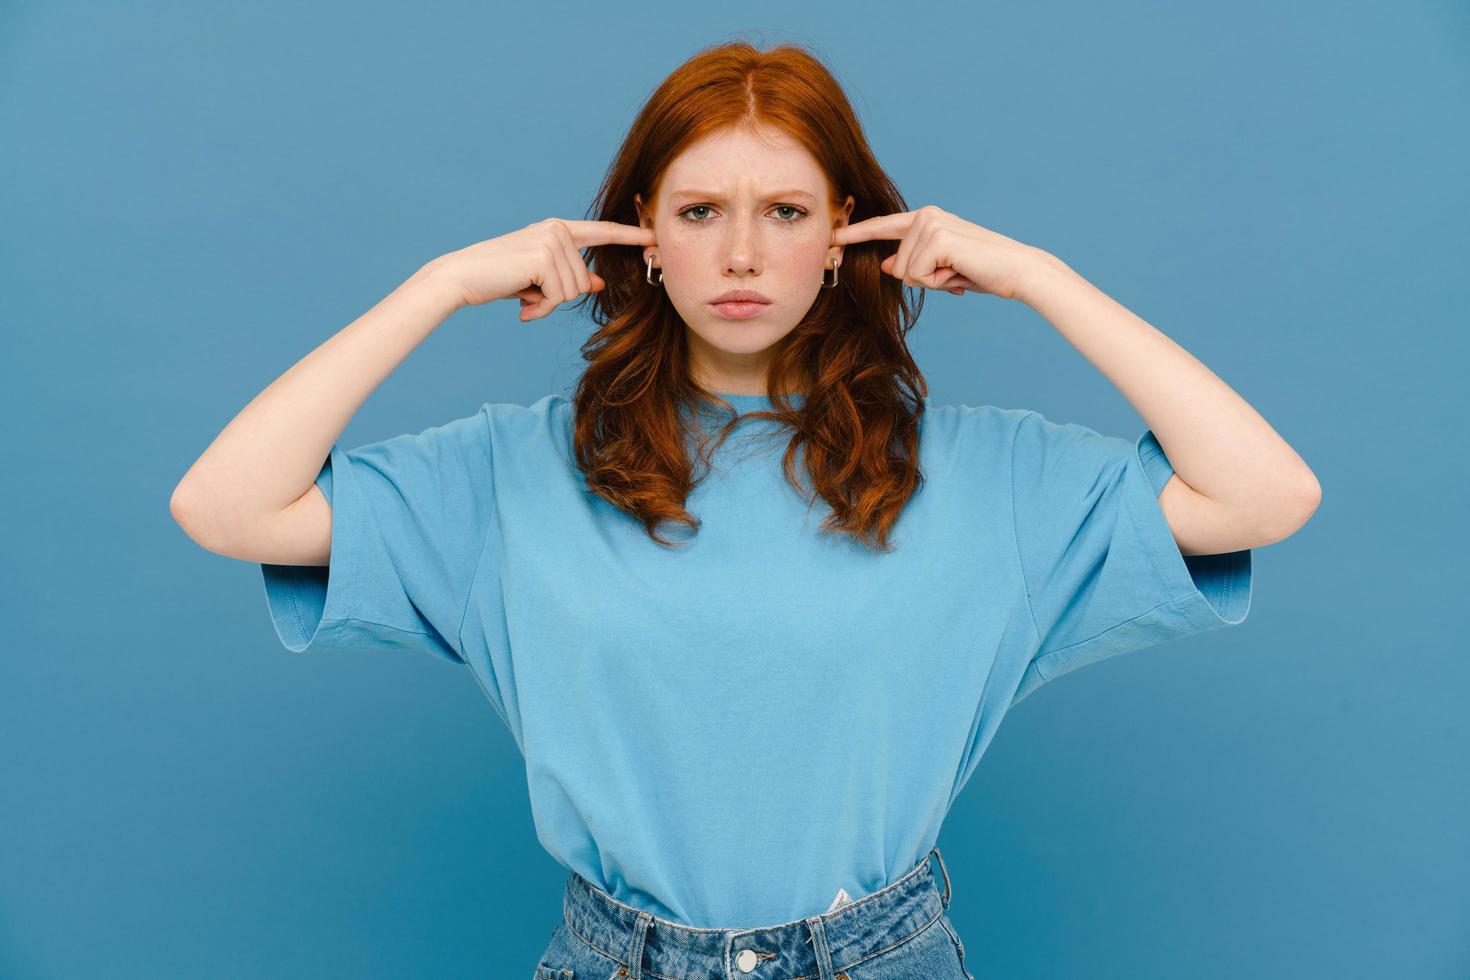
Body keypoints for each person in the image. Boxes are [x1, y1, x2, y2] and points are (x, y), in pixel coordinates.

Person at [169, 39, 1319, 980]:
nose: (740, 252)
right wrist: (437, 288)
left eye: (783, 210)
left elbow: (1267, 492)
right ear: (642, 233)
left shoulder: (986, 476)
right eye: (701, 209)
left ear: (842, 237)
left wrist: (1043, 278)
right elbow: (225, 505)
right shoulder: (508, 475)